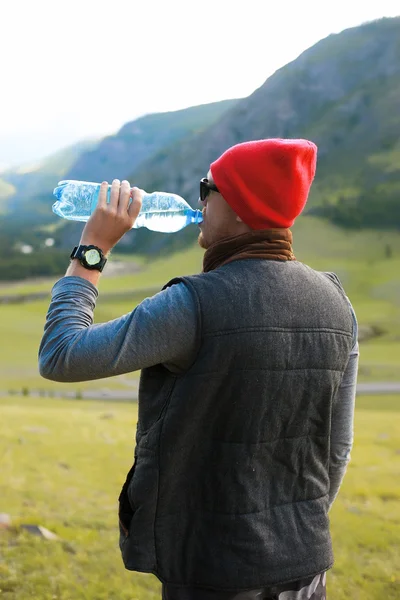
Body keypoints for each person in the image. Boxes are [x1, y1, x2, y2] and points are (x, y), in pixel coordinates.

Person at [39, 139, 359, 600]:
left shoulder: (192, 304)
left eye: (210, 188)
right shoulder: (337, 301)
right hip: (305, 565)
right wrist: (292, 522)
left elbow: (61, 355)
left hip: (211, 568)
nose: (201, 199)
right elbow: (338, 446)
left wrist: (92, 248)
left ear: (244, 209)